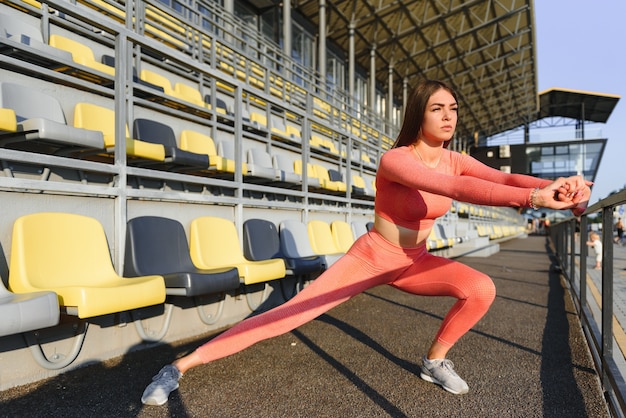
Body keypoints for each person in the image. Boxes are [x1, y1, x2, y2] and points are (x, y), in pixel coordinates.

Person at [141, 79, 592, 404]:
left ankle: (434, 361)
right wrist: (535, 198)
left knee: (481, 288)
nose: (448, 116)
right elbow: (457, 191)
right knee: (285, 316)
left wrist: (563, 189)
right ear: (418, 113)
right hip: (373, 256)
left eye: (453, 109)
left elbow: (504, 177)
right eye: (438, 109)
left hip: (413, 261)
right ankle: (177, 368)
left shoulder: (456, 159)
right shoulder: (396, 159)